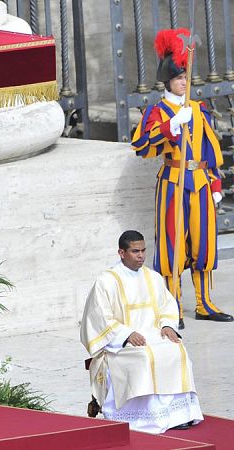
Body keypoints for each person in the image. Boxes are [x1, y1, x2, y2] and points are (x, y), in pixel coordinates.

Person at [131, 28, 233, 329]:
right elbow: (142, 147)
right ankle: (171, 307)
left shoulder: (200, 111)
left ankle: (204, 303)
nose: (184, 83)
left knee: (203, 244)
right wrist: (171, 126)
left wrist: (215, 185)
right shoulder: (159, 111)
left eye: (186, 78)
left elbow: (211, 154)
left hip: (200, 183)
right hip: (173, 183)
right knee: (172, 245)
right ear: (168, 81)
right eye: (178, 79)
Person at [80, 230, 203, 434]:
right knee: (146, 357)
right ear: (121, 252)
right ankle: (150, 416)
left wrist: (167, 326)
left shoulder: (152, 277)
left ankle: (178, 415)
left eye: (143, 250)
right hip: (121, 343)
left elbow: (167, 306)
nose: (141, 256)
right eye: (135, 251)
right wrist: (126, 334)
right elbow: (99, 317)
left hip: (154, 334)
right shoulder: (107, 281)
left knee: (176, 351)